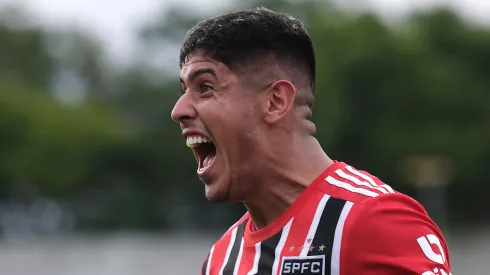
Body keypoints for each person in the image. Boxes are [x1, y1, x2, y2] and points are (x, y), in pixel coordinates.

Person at [171, 7, 452, 275]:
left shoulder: (375, 221)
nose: (178, 110)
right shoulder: (221, 259)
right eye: (183, 91)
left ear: (275, 101)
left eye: (205, 87)